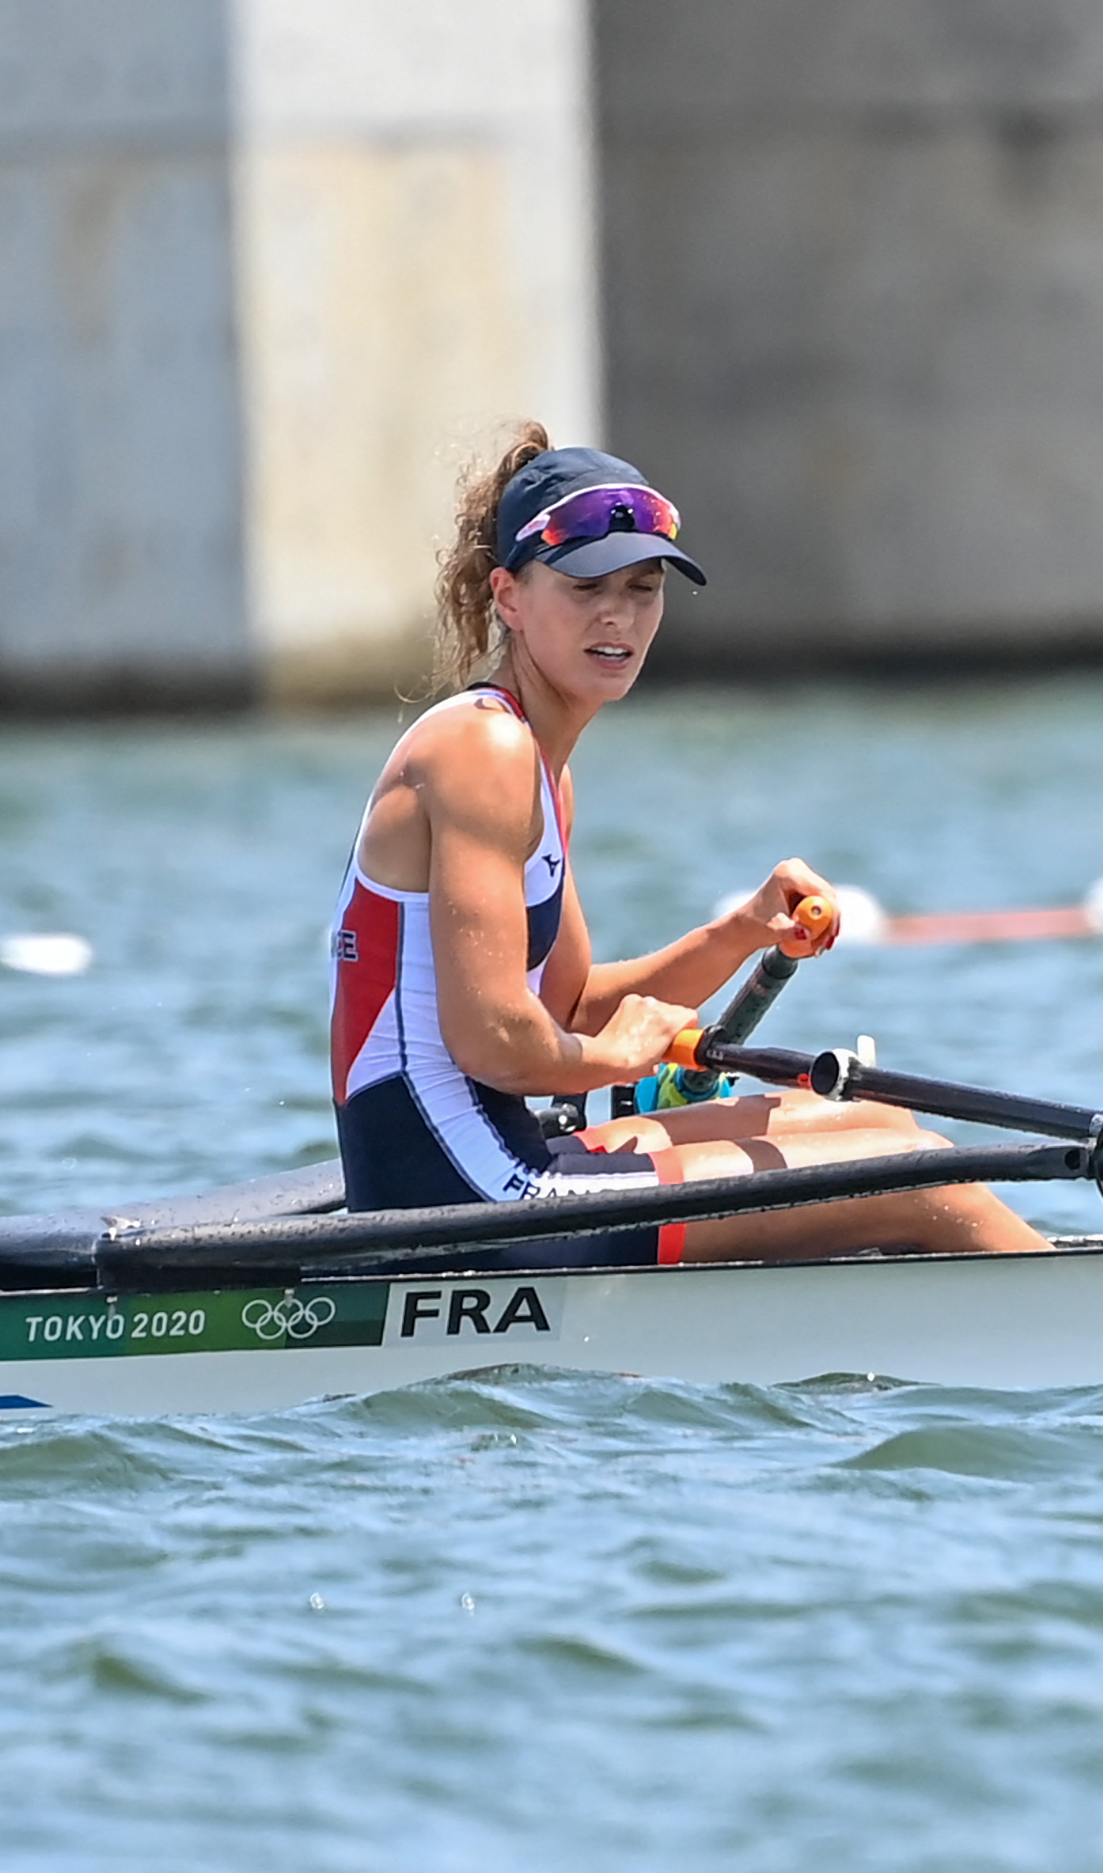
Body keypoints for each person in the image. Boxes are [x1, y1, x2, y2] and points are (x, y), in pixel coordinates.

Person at [329, 426, 1044, 1265]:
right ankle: (1096, 1330)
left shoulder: (541, 767)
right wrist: (610, 1061)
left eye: (642, 587)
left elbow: (561, 1012)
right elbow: (496, 1041)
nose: (618, 615)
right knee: (915, 1172)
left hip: (492, 1160)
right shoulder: (484, 751)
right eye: (585, 585)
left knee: (877, 1125)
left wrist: (741, 931)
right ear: (509, 597)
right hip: (461, 1202)